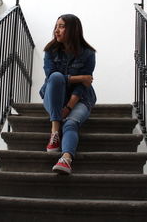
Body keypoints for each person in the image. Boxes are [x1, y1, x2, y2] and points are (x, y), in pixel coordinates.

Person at [39, 14, 97, 175]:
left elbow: (82, 87)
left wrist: (69, 107)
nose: (56, 30)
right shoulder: (50, 51)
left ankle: (66, 159)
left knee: (71, 123)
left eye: (61, 26)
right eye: (56, 26)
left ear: (73, 29)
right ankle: (55, 132)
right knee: (56, 77)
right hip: (53, 96)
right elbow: (52, 77)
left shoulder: (88, 54)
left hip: (80, 99)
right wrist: (80, 77)